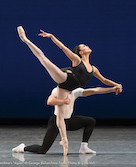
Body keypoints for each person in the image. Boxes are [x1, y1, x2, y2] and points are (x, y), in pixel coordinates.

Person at [17, 26, 122, 155]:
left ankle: (65, 141)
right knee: (44, 59)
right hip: (65, 79)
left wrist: (116, 86)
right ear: (80, 52)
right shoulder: (77, 60)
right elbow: (63, 48)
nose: (87, 46)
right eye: (83, 46)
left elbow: (103, 81)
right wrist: (51, 37)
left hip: (69, 88)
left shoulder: (93, 69)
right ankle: (25, 39)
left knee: (62, 115)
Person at [12, 84, 122, 154]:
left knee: (90, 121)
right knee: (42, 150)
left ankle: (84, 147)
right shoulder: (57, 91)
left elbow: (95, 90)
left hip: (68, 121)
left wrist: (112, 89)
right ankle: (23, 148)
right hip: (56, 122)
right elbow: (50, 101)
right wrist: (64, 101)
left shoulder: (75, 91)